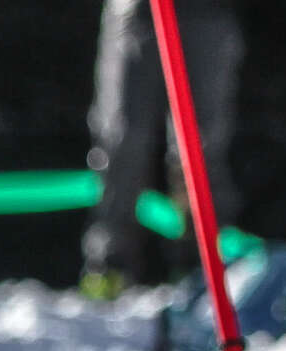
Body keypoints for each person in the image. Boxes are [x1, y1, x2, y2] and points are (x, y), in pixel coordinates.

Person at [82, 0, 242, 300]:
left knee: (199, 148)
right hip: (137, 13)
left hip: (206, 13)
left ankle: (201, 269)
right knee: (123, 141)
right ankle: (109, 268)